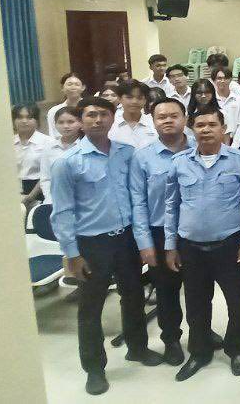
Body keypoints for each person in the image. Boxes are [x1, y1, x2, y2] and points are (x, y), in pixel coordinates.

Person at [50, 97, 161, 395]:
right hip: (92, 244)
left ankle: (138, 348)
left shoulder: (127, 154)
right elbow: (62, 213)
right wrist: (72, 254)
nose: (97, 120)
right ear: (80, 121)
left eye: (103, 114)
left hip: (126, 240)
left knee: (133, 296)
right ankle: (94, 369)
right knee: (91, 308)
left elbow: (137, 197)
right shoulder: (67, 162)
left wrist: (142, 241)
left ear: (113, 118)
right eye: (90, 115)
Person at [165, 104, 240, 382]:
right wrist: (170, 245)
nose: (206, 130)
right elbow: (172, 206)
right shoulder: (179, 162)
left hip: (230, 244)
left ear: (223, 128)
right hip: (190, 247)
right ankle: (199, 352)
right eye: (200, 125)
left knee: (237, 301)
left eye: (212, 124)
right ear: (192, 129)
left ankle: (236, 348)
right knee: (196, 304)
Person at [128, 98, 196, 366]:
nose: (168, 120)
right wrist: (144, 243)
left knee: (199, 290)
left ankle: (201, 334)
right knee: (167, 292)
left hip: (194, 233)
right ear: (153, 122)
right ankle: (171, 340)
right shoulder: (142, 157)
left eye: (174, 115)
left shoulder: (200, 148)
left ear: (185, 118)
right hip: (158, 233)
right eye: (161, 117)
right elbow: (138, 202)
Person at [38, 106, 83, 202]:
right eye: (61, 122)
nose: (66, 126)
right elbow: (46, 178)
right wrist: (50, 199)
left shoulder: (86, 147)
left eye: (71, 122)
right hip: (54, 200)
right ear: (55, 125)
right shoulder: (49, 148)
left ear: (80, 123)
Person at [14, 103, 55, 205]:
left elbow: (49, 174)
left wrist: (30, 197)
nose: (24, 121)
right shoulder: (8, 142)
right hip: (14, 189)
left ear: (37, 121)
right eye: (20, 117)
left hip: (39, 190)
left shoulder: (48, 142)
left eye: (29, 117)